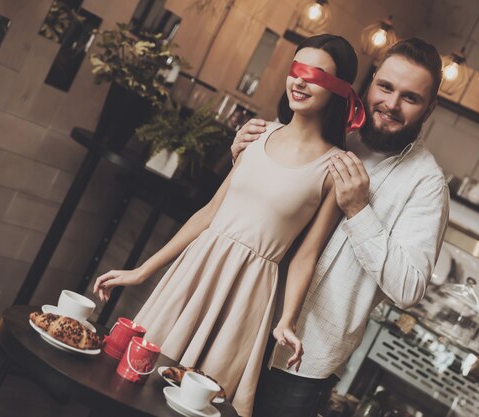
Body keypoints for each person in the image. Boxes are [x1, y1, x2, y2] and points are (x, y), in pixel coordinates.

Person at [92, 34, 366, 417]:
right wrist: (142, 271)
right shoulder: (256, 134)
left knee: (199, 404)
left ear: (338, 90)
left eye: (315, 74)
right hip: (195, 272)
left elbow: (306, 255)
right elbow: (209, 213)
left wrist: (287, 320)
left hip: (249, 295)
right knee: (135, 382)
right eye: (296, 70)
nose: (300, 81)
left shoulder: (334, 167)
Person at [232, 37, 450, 417]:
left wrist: (359, 211)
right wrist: (242, 158)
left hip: (303, 361)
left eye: (410, 98)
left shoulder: (427, 184)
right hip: (244, 317)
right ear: (370, 82)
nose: (391, 105)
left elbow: (409, 287)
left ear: (429, 108)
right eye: (385, 87)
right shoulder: (328, 128)